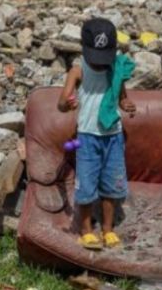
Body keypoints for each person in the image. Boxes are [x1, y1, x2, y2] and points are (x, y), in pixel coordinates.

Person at [57, 18, 135, 250]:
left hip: (113, 135)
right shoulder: (77, 71)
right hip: (88, 137)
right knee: (86, 185)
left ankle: (108, 229)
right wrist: (67, 103)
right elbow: (61, 103)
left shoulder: (116, 70)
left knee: (112, 186)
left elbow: (122, 98)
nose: (100, 65)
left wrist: (128, 104)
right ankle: (86, 230)